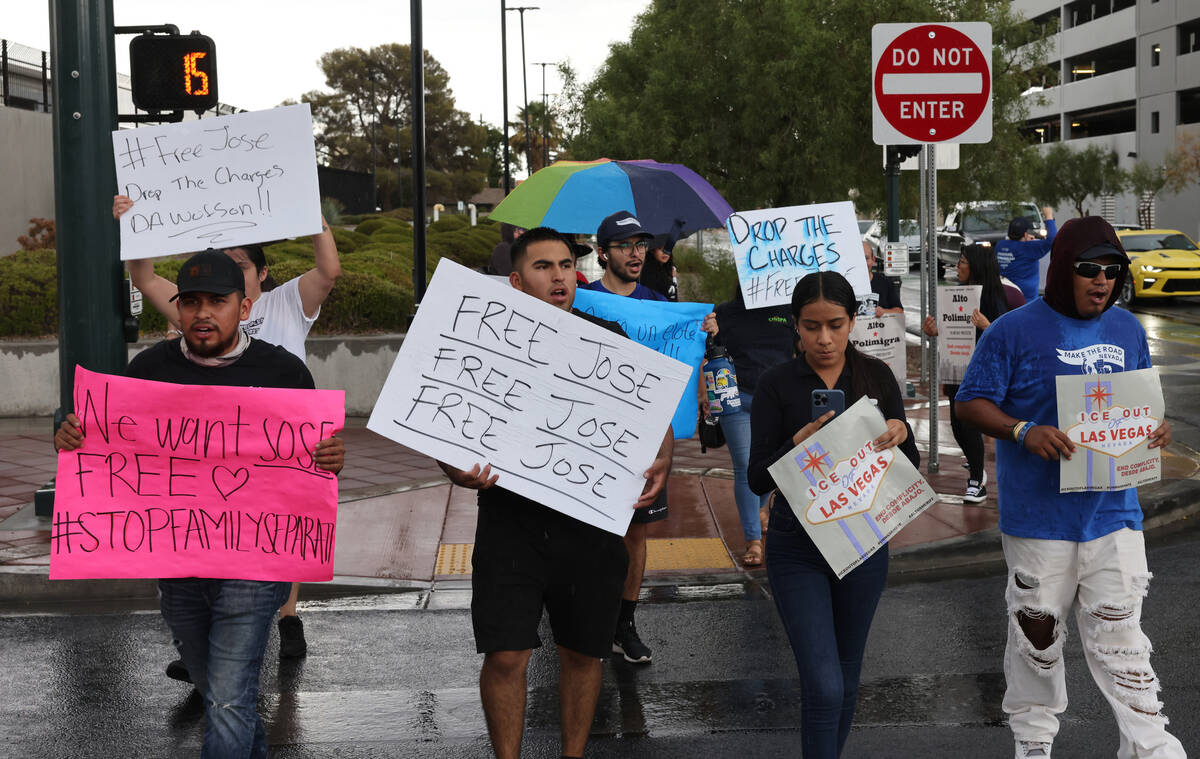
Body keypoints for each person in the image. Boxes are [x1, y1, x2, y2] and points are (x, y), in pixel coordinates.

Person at [54, 249, 345, 758]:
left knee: (229, 701)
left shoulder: (284, 373)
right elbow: (105, 442)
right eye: (190, 302)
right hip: (177, 563)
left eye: (217, 301)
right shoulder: (147, 370)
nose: (202, 313)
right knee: (222, 697)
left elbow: (311, 464)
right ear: (179, 307)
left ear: (245, 307)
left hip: (255, 565)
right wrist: (73, 437)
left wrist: (331, 456)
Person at [437, 226, 672, 759]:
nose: (559, 276)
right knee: (504, 656)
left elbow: (651, 413)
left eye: (566, 265)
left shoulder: (608, 336)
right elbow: (446, 431)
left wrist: (663, 459)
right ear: (517, 281)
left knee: (584, 653)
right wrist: (456, 470)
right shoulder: (484, 340)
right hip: (509, 524)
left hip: (590, 526)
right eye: (544, 267)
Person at [956, 216, 1184, 759]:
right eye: (1088, 269)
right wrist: (1022, 430)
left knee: (1123, 644)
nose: (1101, 280)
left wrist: (1156, 426)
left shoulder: (1128, 328)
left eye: (1112, 270)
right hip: (1039, 523)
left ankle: (1150, 747)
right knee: (1037, 642)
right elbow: (970, 402)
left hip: (1114, 515)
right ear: (1062, 269)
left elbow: (1139, 398)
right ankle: (1034, 746)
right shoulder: (1012, 329)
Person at [114, 194, 342, 665]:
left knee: (279, 525)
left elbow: (329, 271)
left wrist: (308, 210)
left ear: (260, 276)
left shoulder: (287, 302)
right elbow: (144, 277)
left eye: (240, 265)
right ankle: (211, 648)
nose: (230, 272)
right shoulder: (199, 313)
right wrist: (136, 227)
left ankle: (284, 616)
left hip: (277, 442)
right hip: (208, 449)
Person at [748, 271, 918, 758]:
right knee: (822, 685)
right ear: (795, 327)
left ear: (853, 322)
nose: (824, 339)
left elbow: (910, 466)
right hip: (796, 547)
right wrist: (795, 446)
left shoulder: (875, 376)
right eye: (811, 326)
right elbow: (757, 478)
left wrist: (900, 435)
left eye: (836, 325)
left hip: (863, 541)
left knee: (844, 680)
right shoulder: (776, 384)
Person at [584, 210, 714, 664]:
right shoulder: (582, 301)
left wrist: (705, 332)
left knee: (636, 534)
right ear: (603, 253)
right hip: (589, 432)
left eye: (640, 244)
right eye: (625, 246)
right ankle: (584, 618)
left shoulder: (659, 301)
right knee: (590, 532)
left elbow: (683, 357)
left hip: (644, 436)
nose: (636, 253)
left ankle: (625, 622)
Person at [710, 285, 795, 566]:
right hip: (736, 399)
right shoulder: (725, 312)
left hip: (776, 401)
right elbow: (709, 350)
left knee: (772, 463)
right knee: (745, 466)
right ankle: (754, 540)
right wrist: (709, 331)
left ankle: (759, 510)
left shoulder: (788, 311)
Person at [921, 244, 1013, 503]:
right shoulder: (958, 294)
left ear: (975, 266)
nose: (957, 266)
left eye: (961, 261)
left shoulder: (994, 297)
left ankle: (976, 480)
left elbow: (1007, 337)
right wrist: (934, 331)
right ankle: (976, 468)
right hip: (955, 367)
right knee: (956, 425)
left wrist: (987, 326)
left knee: (969, 425)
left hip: (979, 372)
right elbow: (954, 330)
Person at [995, 206, 1057, 302]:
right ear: (1025, 234)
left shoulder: (999, 245)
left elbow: (1015, 247)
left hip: (1003, 296)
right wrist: (1049, 216)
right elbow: (1052, 239)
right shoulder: (1028, 248)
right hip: (1024, 300)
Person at [859, 240, 904, 317]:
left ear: (873, 260)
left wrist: (884, 312)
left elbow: (899, 311)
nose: (862, 262)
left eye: (866, 258)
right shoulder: (844, 284)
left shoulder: (885, 282)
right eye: (858, 258)